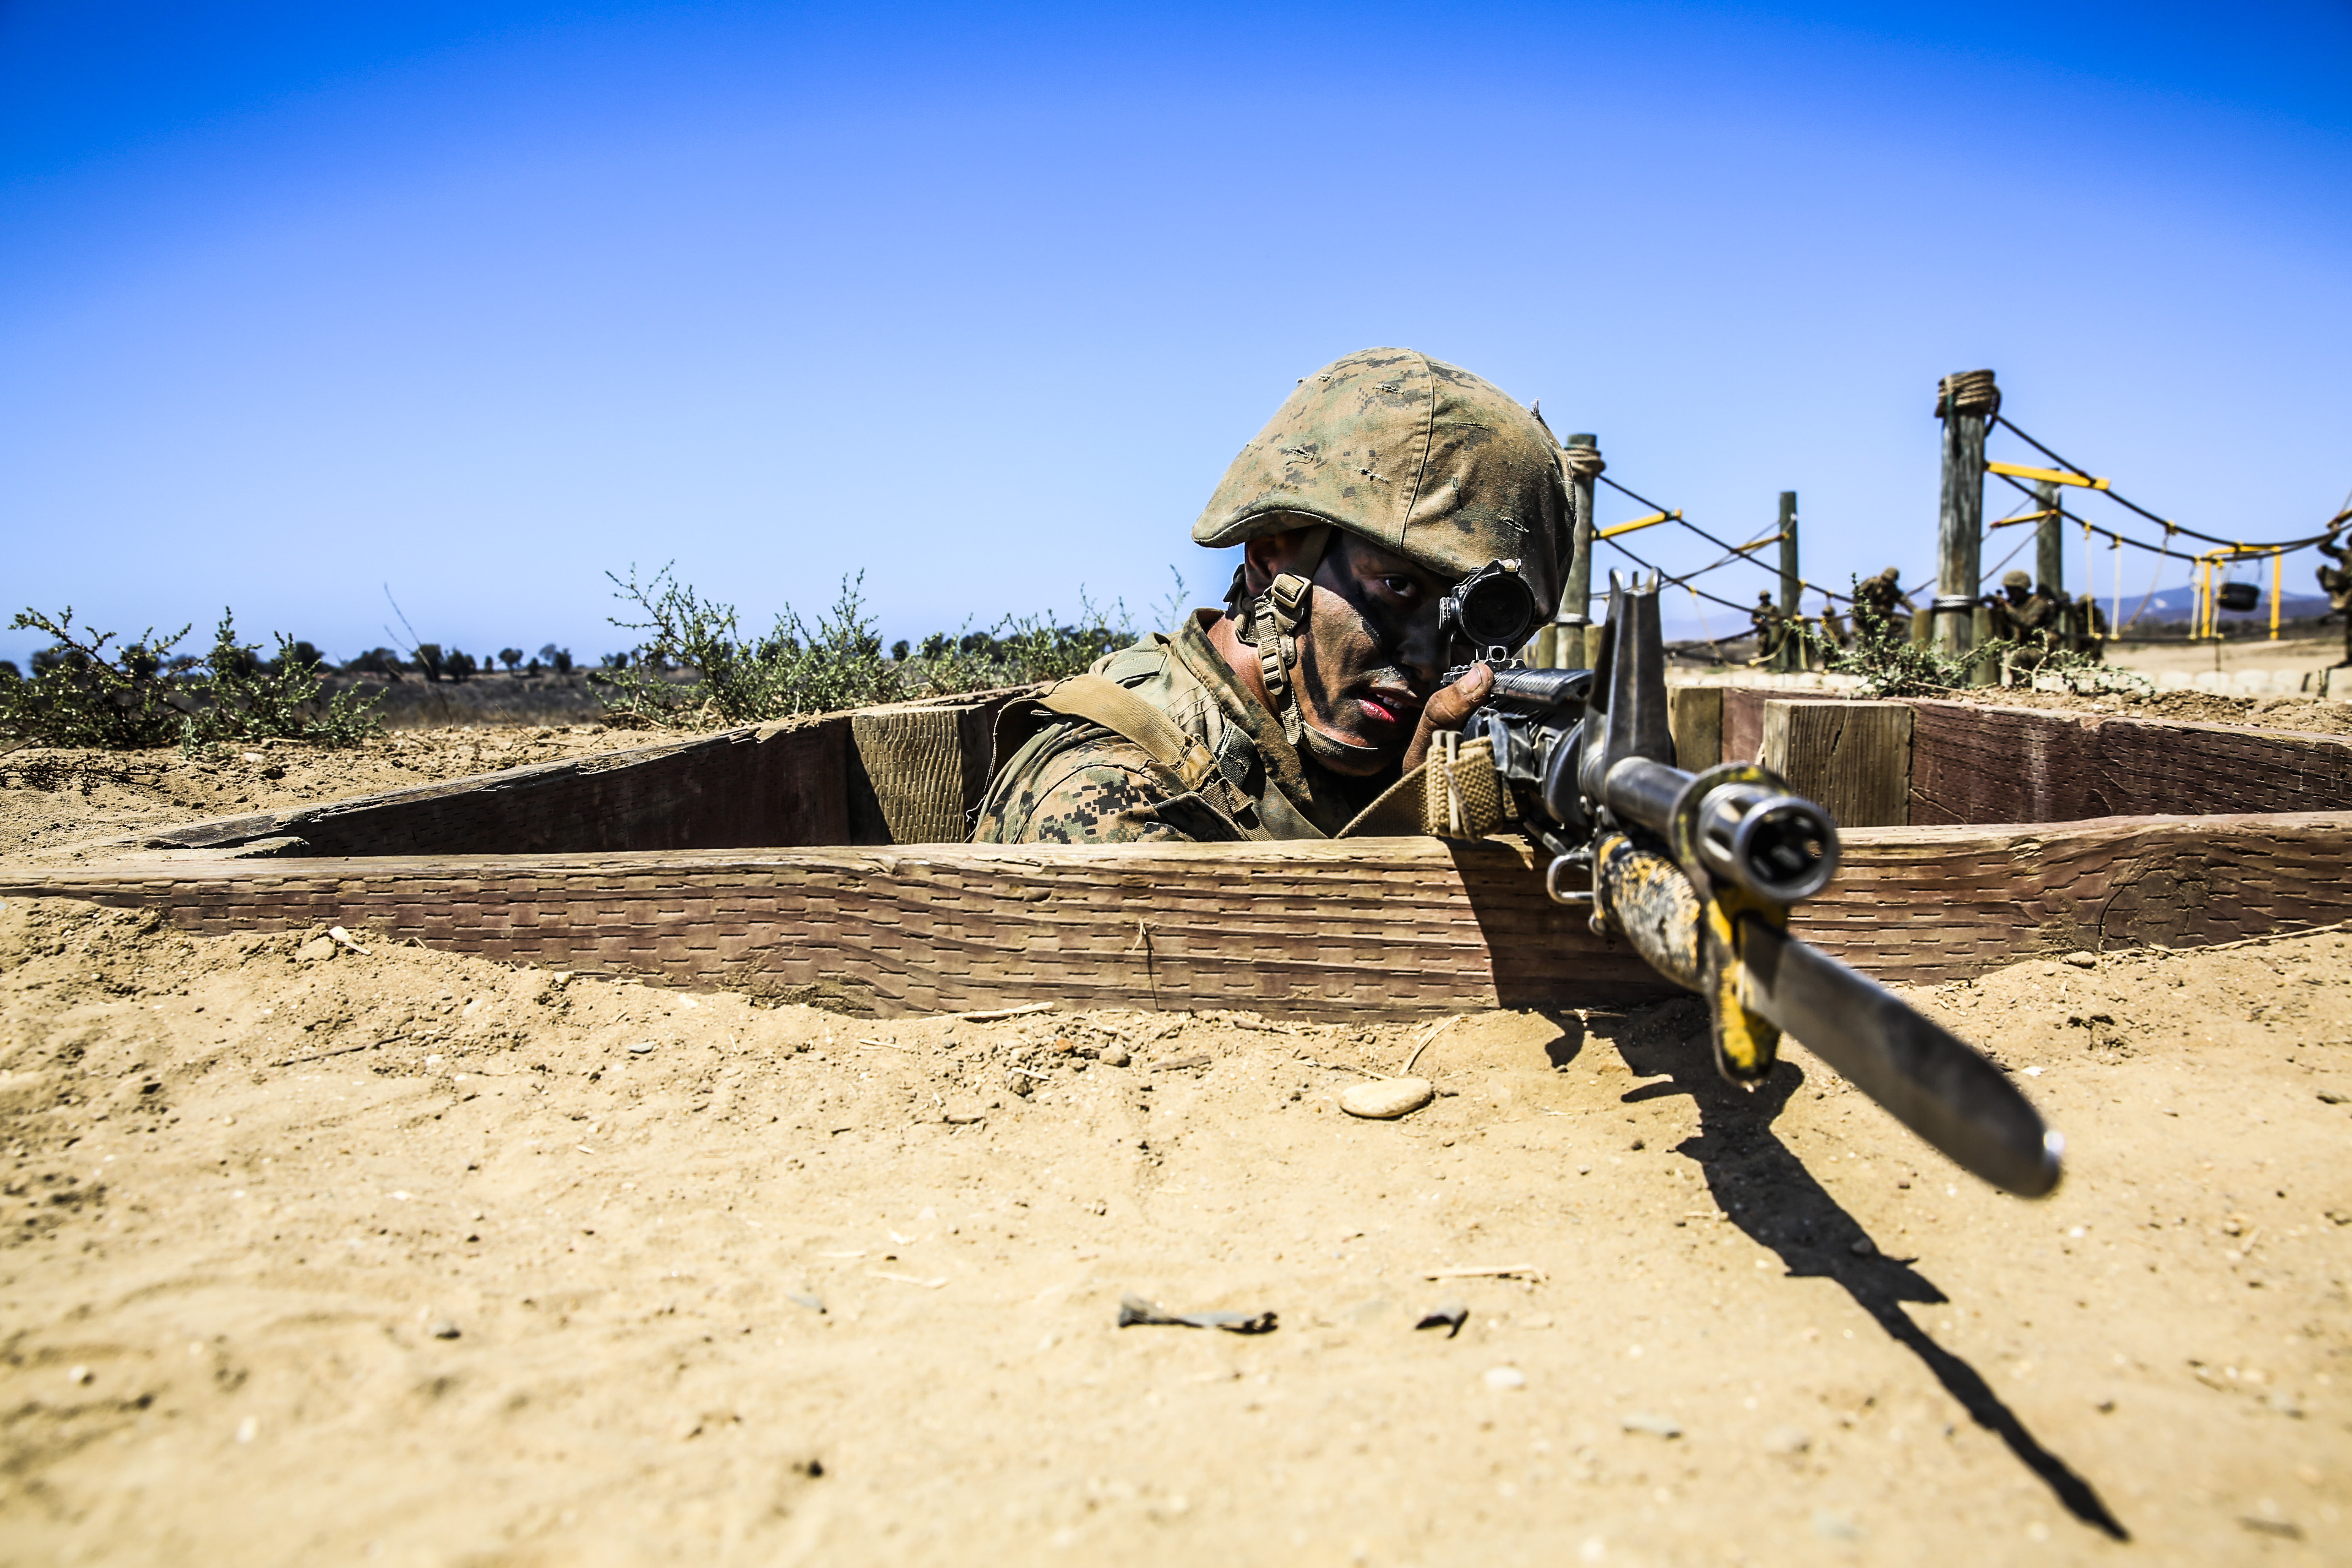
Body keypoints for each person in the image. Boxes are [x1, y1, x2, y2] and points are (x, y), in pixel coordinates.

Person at [972, 347, 1570, 844]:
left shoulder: (1357, 749)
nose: (1428, 657)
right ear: (1269, 557)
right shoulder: (1111, 805)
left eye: (1483, 618)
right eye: (1397, 587)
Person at [1850, 568, 1913, 646]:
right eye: (1885, 579)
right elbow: (1857, 595)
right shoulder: (1871, 583)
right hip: (1863, 620)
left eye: (1890, 581)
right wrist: (1864, 608)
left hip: (1880, 621)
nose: (1886, 582)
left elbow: (1905, 601)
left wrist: (1916, 612)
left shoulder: (1892, 590)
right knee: (1860, 641)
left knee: (1890, 640)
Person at [2320, 527, 2352, 667]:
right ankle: (2338, 598)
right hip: (2344, 586)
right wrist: (2333, 534)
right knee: (2323, 571)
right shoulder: (2345, 554)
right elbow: (2324, 547)